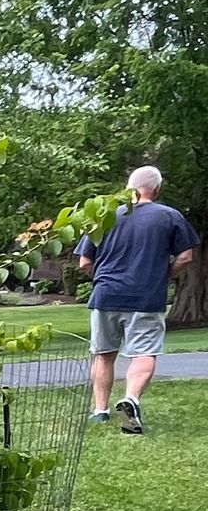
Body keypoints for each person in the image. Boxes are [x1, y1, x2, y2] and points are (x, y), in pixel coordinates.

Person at [77, 165, 199, 434]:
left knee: (103, 354)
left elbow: (85, 261)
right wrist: (164, 275)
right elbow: (186, 255)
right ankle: (130, 398)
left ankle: (100, 411)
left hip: (105, 295)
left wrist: (104, 278)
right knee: (144, 353)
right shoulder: (169, 216)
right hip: (146, 297)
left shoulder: (105, 216)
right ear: (157, 189)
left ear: (128, 188)